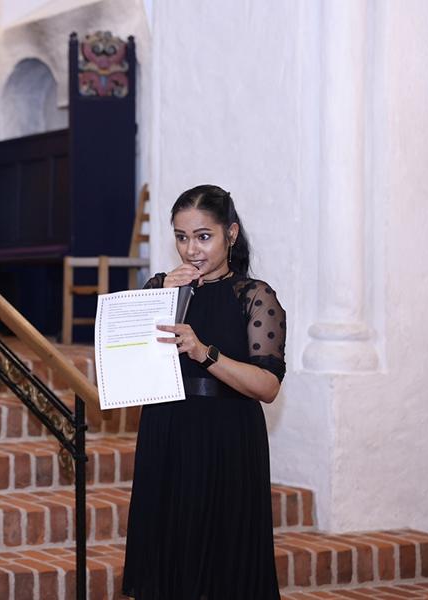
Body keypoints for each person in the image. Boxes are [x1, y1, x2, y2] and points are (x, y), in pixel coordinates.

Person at [121, 184, 286, 600]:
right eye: (181, 237)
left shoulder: (254, 296)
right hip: (166, 430)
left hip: (225, 437)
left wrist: (204, 353)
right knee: (167, 556)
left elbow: (267, 387)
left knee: (223, 562)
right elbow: (126, 363)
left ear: (231, 234)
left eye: (203, 236)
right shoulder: (159, 288)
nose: (191, 249)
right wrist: (161, 295)